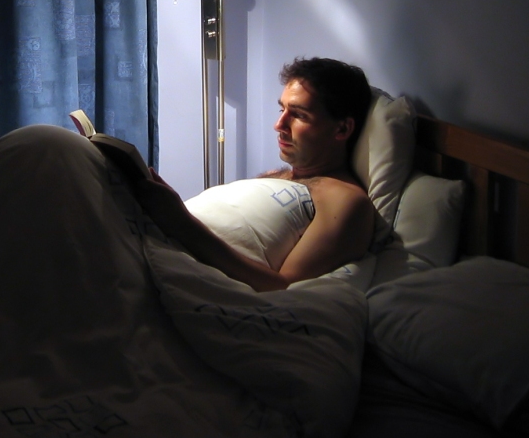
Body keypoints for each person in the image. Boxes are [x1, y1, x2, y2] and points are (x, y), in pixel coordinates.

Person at [134, 57, 375, 292]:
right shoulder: (276, 176)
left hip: (170, 262)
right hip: (155, 238)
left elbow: (285, 287)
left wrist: (182, 224)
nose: (279, 125)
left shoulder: (344, 199)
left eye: (299, 115)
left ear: (342, 128)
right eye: (282, 109)